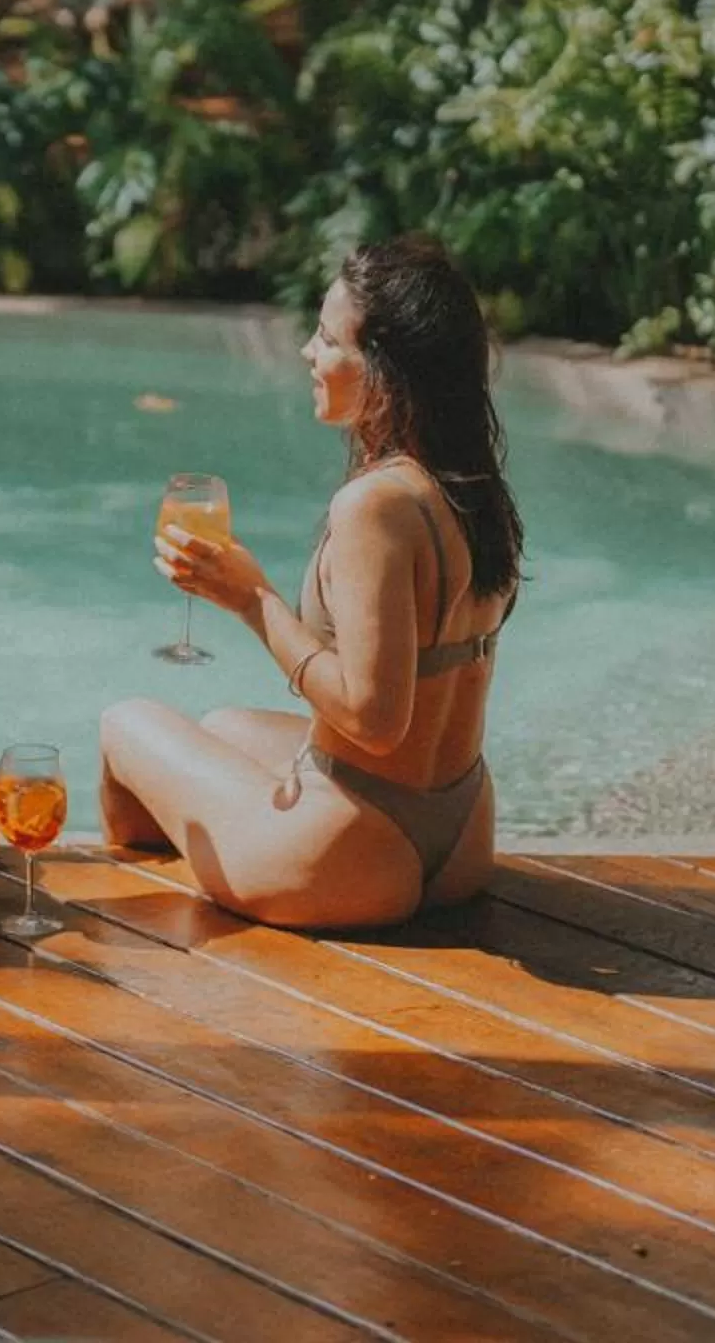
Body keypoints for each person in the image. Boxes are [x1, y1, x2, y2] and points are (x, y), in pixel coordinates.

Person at [97, 235, 524, 928]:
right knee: (222, 725)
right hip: (462, 832)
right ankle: (234, 844)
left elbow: (375, 721)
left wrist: (251, 599)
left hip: (352, 858)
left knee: (125, 724)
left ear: (382, 369)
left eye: (327, 339)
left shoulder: (374, 506)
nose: (308, 353)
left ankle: (154, 919)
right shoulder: (470, 486)